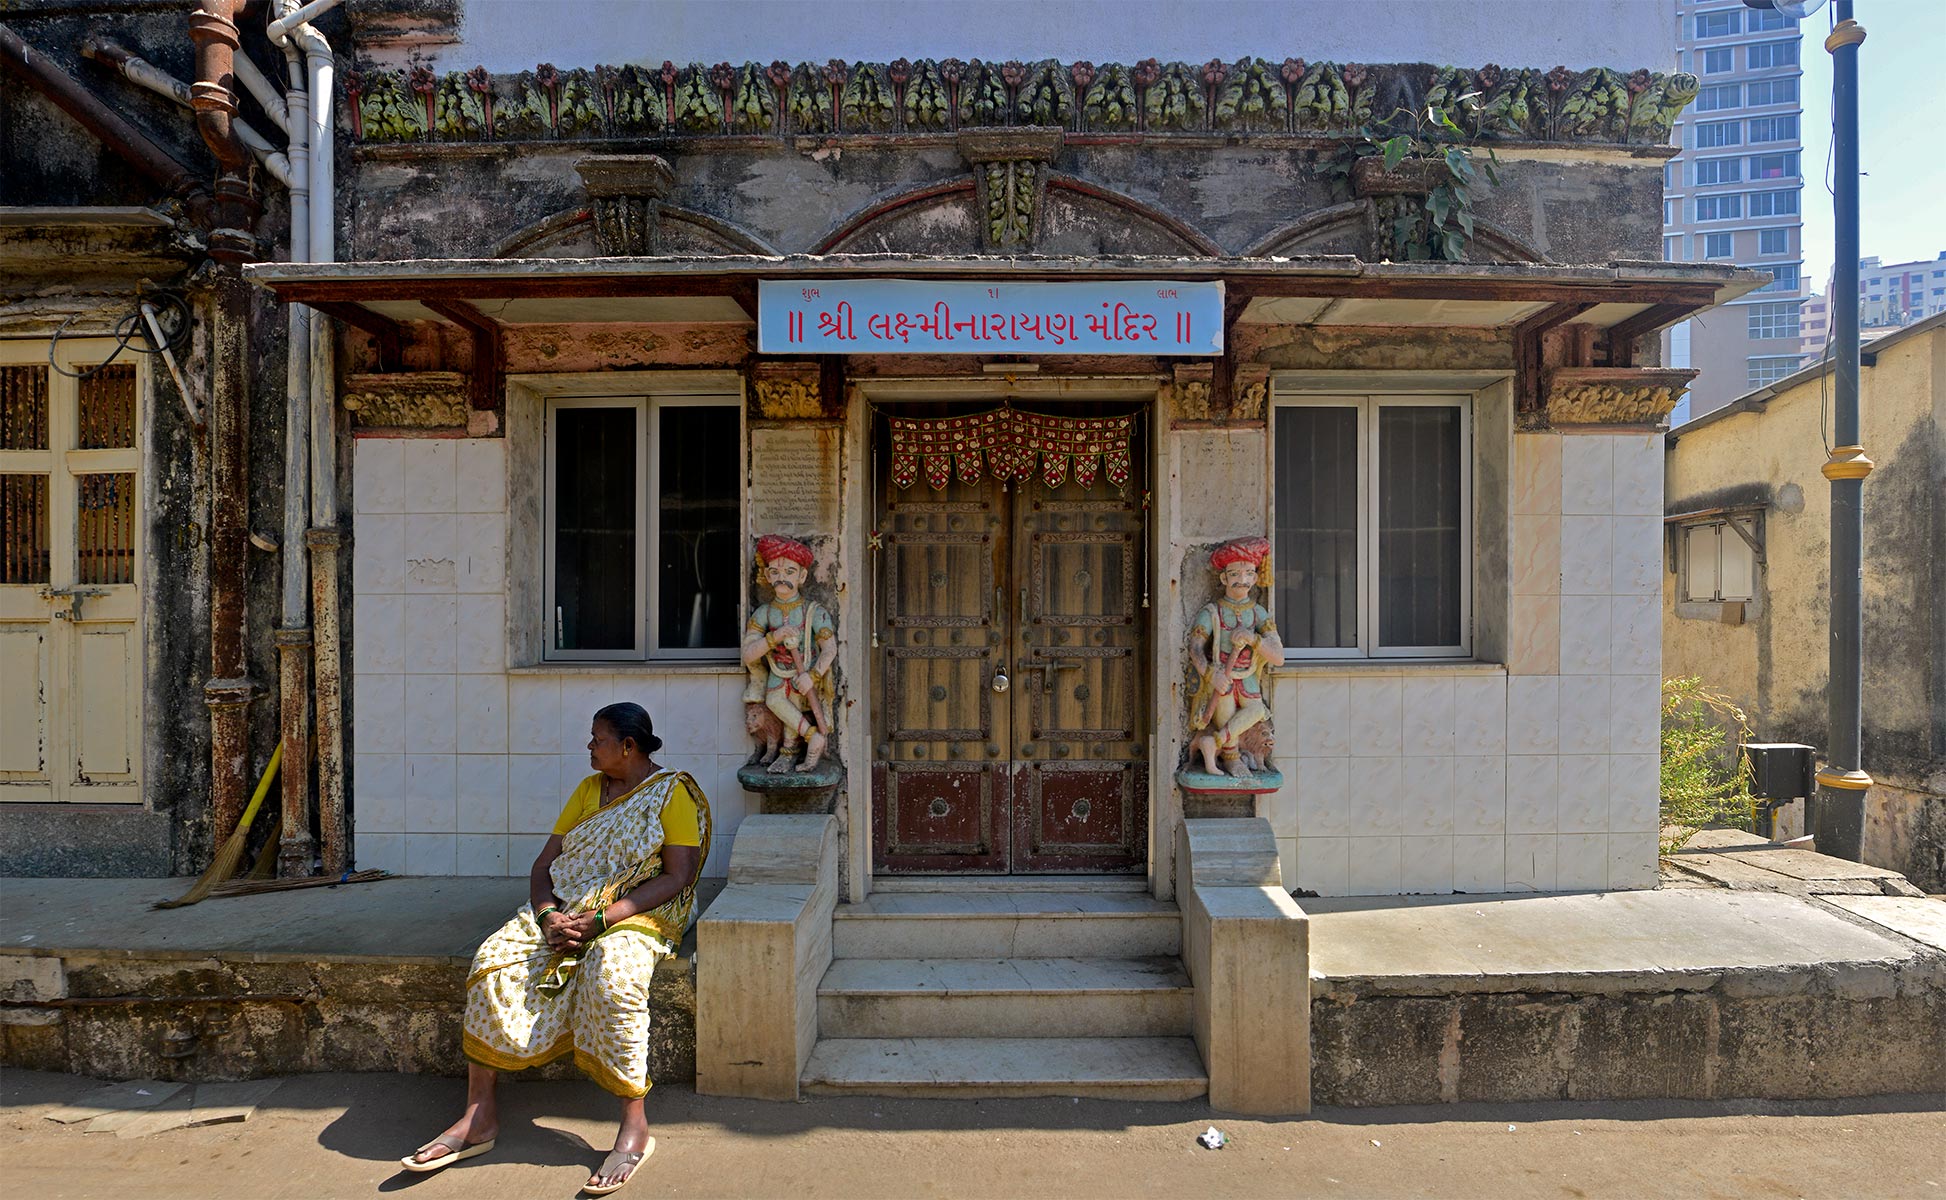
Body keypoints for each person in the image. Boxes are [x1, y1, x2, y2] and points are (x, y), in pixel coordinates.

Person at [402, 701, 710, 1196]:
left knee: (613, 977)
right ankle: (479, 1116)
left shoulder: (671, 792)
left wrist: (604, 919)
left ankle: (635, 1125)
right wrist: (548, 916)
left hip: (640, 909)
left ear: (628, 746)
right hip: (568, 904)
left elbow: (679, 876)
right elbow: (545, 866)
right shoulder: (589, 790)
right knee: (492, 962)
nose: (590, 747)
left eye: (598, 739)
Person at [1188, 536, 1285, 777]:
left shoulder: (1258, 614)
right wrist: (1211, 675)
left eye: (1248, 574)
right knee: (1226, 712)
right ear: (1224, 578)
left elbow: (1278, 656)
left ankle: (1214, 742)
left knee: (1257, 711)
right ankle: (1231, 758)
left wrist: (1254, 639)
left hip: (1248, 678)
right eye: (1235, 574)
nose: (1242, 580)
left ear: (1255, 578)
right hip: (1222, 676)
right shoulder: (1212, 612)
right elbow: (1195, 648)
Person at [741, 533, 836, 773]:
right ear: (767, 576)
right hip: (777, 671)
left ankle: (790, 752)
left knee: (793, 697)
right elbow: (748, 654)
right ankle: (812, 736)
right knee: (774, 700)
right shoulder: (764, 613)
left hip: (804, 673)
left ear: (802, 576)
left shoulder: (814, 611)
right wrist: (773, 638)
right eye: (775, 572)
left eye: (789, 572)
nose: (781, 578)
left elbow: (829, 648)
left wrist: (813, 675)